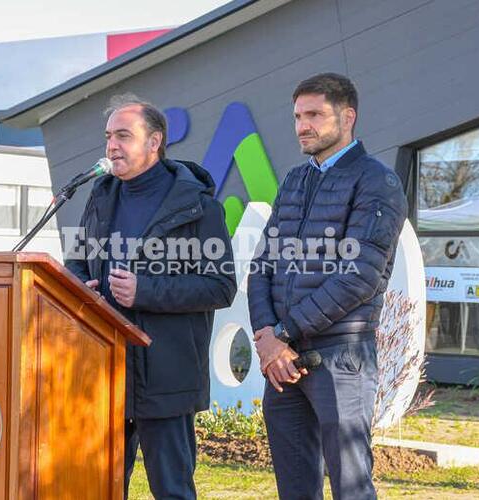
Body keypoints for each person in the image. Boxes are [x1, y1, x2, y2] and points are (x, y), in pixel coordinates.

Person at [65, 94, 236, 499]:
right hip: (105, 369)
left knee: (172, 490)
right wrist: (78, 287)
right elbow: (77, 262)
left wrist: (145, 291)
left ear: (155, 141)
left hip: (167, 374)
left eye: (123, 135)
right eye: (109, 136)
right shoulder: (100, 196)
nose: (112, 146)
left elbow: (220, 285)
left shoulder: (199, 207)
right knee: (98, 487)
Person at [248, 73, 407, 499]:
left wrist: (282, 334)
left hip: (341, 360)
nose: (303, 125)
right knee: (295, 488)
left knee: (351, 487)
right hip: (283, 363)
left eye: (315, 114)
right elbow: (261, 266)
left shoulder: (377, 182)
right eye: (298, 116)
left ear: (348, 116)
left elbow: (359, 276)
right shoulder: (294, 181)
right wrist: (267, 338)